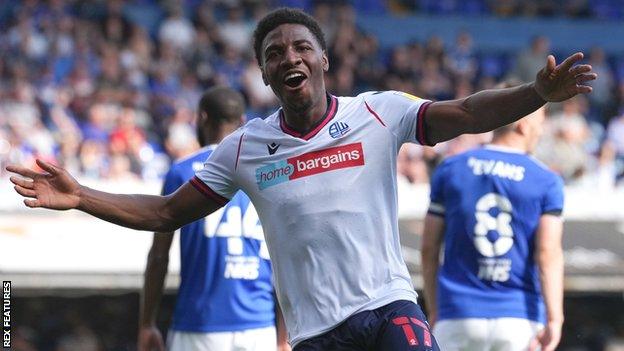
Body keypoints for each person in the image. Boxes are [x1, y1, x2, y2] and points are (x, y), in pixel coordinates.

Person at [7, 7, 595, 351]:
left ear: (322, 60)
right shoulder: (243, 149)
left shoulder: (378, 112)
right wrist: (81, 195)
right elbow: (164, 214)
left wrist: (535, 94)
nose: (290, 56)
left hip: (388, 308)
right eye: (275, 52)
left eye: (301, 46)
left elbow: (467, 114)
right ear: (265, 73)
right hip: (315, 336)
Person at [138, 86, 289, 351]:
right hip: (259, 326)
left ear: (203, 118)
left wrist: (147, 323)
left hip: (199, 326)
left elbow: (159, 256)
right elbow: (287, 258)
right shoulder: (269, 172)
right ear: (242, 122)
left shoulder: (182, 172)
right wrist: (284, 335)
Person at [421, 96, 564, 351]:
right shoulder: (546, 180)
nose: (542, 131)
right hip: (518, 318)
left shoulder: (451, 168)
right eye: (541, 122)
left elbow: (429, 249)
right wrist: (555, 318)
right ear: (523, 125)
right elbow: (548, 254)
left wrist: (435, 310)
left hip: (458, 314)